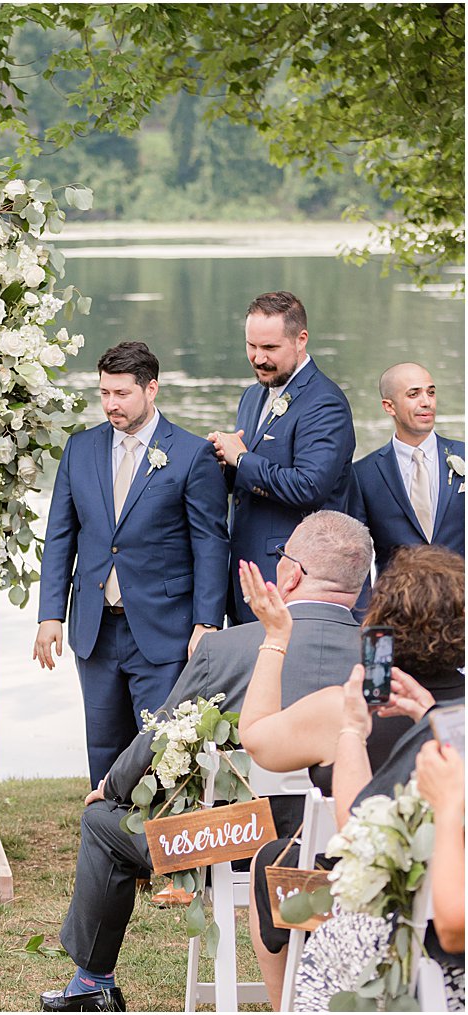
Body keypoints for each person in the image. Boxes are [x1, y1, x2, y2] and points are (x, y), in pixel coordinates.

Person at [41, 511, 371, 1012]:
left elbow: (158, 738)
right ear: (359, 581)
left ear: (292, 575)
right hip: (352, 846)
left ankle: (93, 983)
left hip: (233, 845)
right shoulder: (389, 656)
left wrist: (112, 787)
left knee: (102, 821)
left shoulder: (229, 647)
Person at [237, 543, 465, 1003]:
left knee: (271, 860)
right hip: (433, 899)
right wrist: (427, 718)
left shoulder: (342, 709)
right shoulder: (453, 723)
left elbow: (256, 739)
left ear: (381, 624)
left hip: (366, 903)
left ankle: (284, 1001)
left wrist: (277, 635)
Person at [35, 341, 228, 785]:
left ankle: (154, 849)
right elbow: (61, 537)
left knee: (161, 748)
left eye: (121, 394)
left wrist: (206, 622)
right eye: (104, 393)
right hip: (95, 630)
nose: (110, 405)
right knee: (102, 746)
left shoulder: (190, 453)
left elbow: (210, 544)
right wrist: (50, 615)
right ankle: (109, 845)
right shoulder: (80, 450)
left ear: (151, 388)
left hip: (163, 629)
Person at [289, 708, 465, 1011]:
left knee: (338, 937)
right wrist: (429, 714)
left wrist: (449, 807)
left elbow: (456, 929)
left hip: (446, 978)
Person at [208, 292, 357, 625]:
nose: (258, 359)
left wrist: (242, 460)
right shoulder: (252, 395)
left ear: (301, 340)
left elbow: (308, 487)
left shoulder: (325, 403)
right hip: (246, 574)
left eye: (270, 349)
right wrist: (222, 464)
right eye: (252, 346)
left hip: (294, 577)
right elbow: (248, 478)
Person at [352, 363, 465, 577]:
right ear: (389, 406)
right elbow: (356, 555)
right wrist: (364, 610)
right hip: (398, 603)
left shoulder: (464, 455)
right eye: (414, 394)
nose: (426, 402)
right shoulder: (362, 475)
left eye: (431, 393)